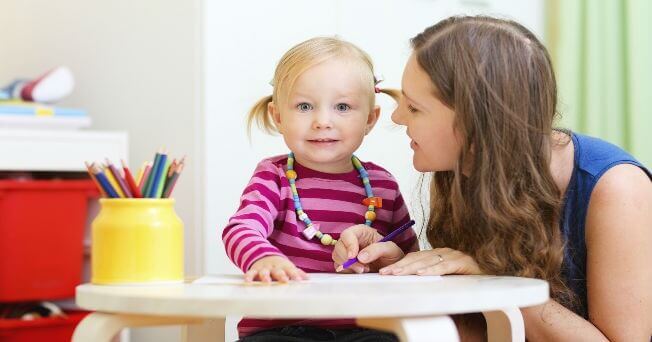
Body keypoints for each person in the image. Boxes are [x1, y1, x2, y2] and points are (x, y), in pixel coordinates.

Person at [333, 16, 652, 341]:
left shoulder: (617, 188)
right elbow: (482, 328)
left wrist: (496, 284)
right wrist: (404, 270)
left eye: (414, 108)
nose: (398, 117)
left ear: (475, 121)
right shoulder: (459, 173)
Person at [223, 36, 417, 341]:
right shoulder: (273, 176)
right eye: (304, 106)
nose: (322, 121)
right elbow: (240, 229)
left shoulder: (383, 185)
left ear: (370, 119)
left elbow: (409, 258)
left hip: (367, 329)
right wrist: (262, 258)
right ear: (278, 117)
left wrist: (390, 254)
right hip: (281, 329)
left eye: (342, 106)